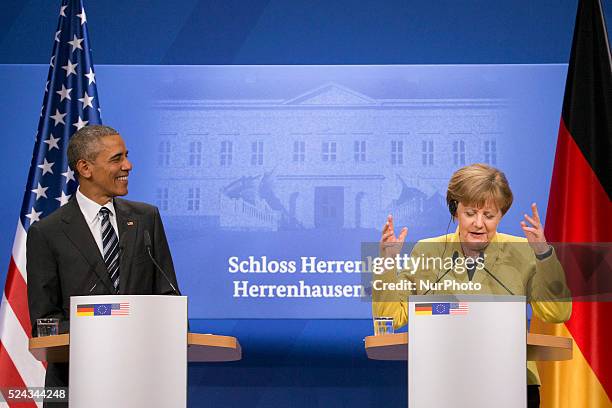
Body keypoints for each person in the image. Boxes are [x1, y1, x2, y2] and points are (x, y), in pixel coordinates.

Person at [372, 163, 571, 408]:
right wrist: (387, 263)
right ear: (456, 210)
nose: (479, 223)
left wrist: (543, 254)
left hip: (513, 384)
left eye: (489, 215)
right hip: (442, 384)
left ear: (501, 215)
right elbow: (388, 317)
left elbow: (557, 313)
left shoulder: (522, 252)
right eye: (471, 213)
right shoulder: (427, 251)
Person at [27, 125, 180, 406]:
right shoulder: (47, 233)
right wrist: (102, 334)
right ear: (85, 168)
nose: (128, 165)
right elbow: (44, 322)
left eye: (127, 156)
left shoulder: (146, 218)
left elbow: (168, 296)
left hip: (143, 382)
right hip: (76, 384)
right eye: (116, 158)